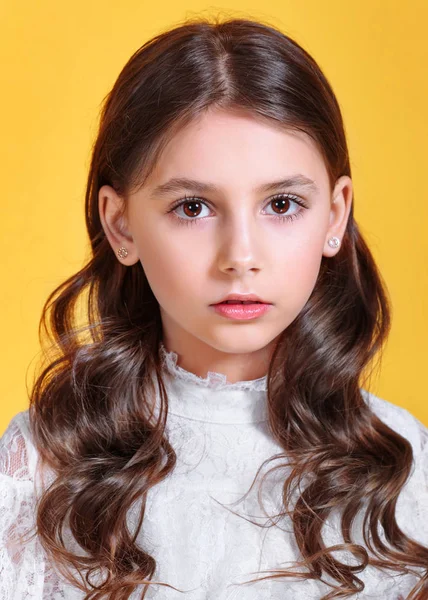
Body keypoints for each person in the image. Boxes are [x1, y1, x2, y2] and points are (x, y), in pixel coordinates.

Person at [1, 15, 427, 600]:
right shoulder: (45, 465)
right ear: (120, 224)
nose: (240, 257)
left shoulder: (403, 465)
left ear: (334, 215)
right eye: (193, 208)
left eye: (281, 203)